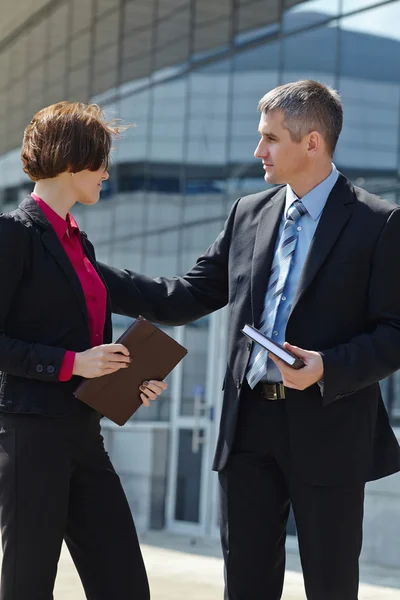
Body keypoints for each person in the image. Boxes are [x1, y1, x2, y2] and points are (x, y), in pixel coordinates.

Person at [99, 80, 400, 600]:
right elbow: (185, 296)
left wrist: (328, 364)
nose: (257, 150)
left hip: (330, 430)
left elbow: (395, 333)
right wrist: (86, 270)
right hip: (248, 428)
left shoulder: (379, 222)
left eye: (270, 138)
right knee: (245, 585)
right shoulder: (248, 213)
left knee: (331, 586)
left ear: (312, 143)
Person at [0, 101, 168, 600]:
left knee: (125, 585)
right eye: (100, 163)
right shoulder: (12, 234)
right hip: (30, 438)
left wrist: (127, 381)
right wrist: (73, 364)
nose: (107, 174)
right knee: (28, 586)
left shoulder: (79, 242)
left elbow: (84, 342)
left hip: (83, 434)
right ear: (72, 162)